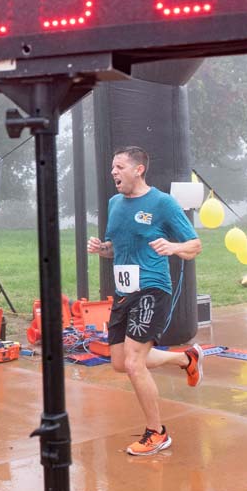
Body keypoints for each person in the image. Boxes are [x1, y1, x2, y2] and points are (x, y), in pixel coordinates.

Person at [86, 146, 204, 457]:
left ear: (139, 169)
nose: (113, 172)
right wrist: (102, 248)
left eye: (119, 167)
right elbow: (116, 248)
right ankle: (185, 359)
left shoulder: (162, 203)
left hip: (153, 288)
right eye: (112, 167)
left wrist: (173, 247)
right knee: (119, 363)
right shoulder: (115, 203)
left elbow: (195, 245)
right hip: (125, 290)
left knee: (135, 362)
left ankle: (157, 433)